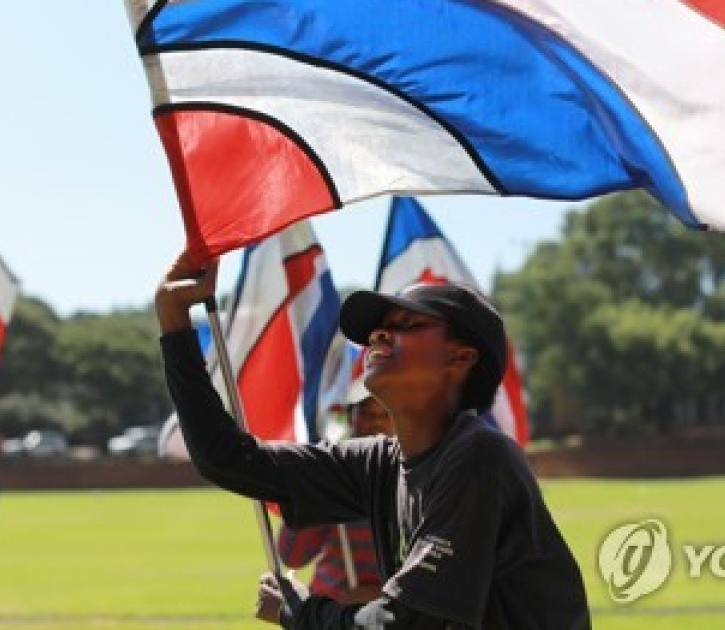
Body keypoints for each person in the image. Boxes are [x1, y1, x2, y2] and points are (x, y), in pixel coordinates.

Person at [156, 254, 590, 629]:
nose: (380, 335)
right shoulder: (381, 462)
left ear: (460, 359)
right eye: (378, 329)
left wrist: (300, 612)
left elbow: (405, 624)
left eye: (406, 324)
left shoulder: (479, 456)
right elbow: (227, 459)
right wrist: (174, 321)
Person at [275, 380, 393, 605]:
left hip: (396, 616)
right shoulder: (332, 472)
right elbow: (292, 556)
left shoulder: (423, 478)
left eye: (386, 412)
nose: (377, 422)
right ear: (351, 416)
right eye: (367, 413)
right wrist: (307, 489)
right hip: (331, 608)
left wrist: (380, 597)